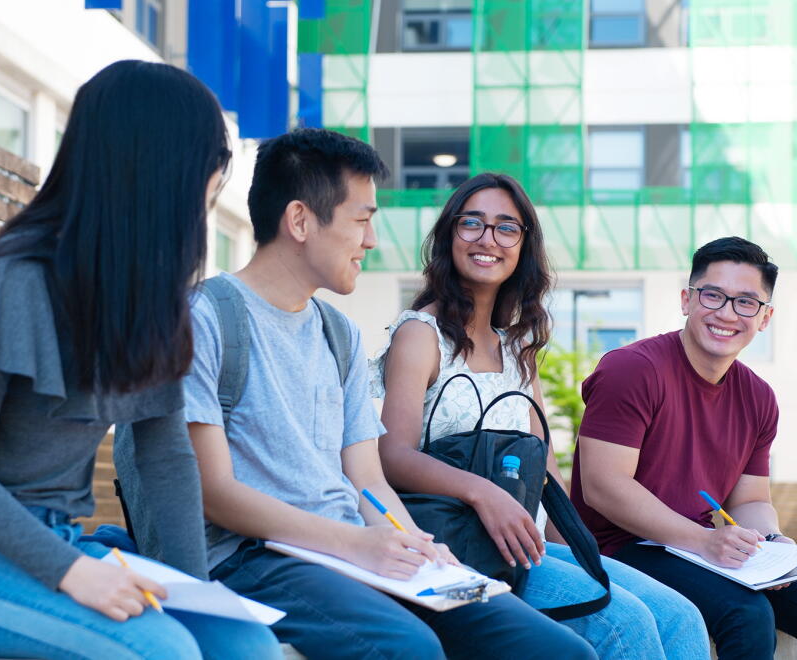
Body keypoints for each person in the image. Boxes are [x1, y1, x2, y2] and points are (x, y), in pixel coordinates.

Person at [182, 129, 598, 659]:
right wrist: (358, 543)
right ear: (300, 220)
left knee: (558, 651)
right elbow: (213, 492)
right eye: (362, 219)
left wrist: (418, 546)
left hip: (357, 549)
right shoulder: (207, 316)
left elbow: (368, 478)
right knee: (411, 647)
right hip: (256, 556)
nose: (372, 239)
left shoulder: (339, 334)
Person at [0, 60, 281, 660]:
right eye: (208, 171)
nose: (212, 191)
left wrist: (196, 593)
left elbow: (166, 459)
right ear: (158, 171)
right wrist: (71, 572)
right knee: (162, 652)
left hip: (64, 543)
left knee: (247, 647)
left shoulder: (147, 297)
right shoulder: (9, 282)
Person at [371, 172, 709, 660]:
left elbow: (545, 476)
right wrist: (482, 492)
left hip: (522, 546)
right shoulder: (421, 335)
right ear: (449, 235)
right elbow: (392, 454)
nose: (489, 239)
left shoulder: (516, 349)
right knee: (624, 624)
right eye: (473, 224)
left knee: (680, 615)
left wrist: (576, 551)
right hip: (453, 547)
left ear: (523, 245)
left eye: (507, 227)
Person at [571, 236, 797, 659]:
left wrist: (769, 541)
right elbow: (603, 486)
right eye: (713, 295)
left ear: (765, 317)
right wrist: (701, 540)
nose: (727, 313)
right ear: (686, 299)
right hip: (618, 547)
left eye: (746, 302)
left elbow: (750, 498)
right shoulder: (631, 370)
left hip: (698, 548)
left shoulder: (758, 397)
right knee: (746, 614)